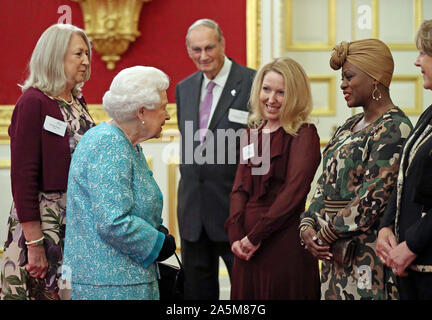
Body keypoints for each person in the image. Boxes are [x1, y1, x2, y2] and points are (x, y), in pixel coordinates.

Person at [299, 39, 413, 300]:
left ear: (375, 79)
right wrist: (307, 225)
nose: (342, 84)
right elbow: (323, 185)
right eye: (342, 77)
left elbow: (372, 199)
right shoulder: (348, 125)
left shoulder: (394, 127)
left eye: (349, 76)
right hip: (333, 260)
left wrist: (324, 234)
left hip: (367, 259)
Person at [62, 66, 176, 300]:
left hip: (124, 284)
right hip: (110, 288)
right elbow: (113, 222)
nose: (168, 115)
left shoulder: (126, 143)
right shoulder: (109, 144)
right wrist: (158, 242)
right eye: (163, 107)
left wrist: (155, 230)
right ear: (142, 112)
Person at [0, 24, 95, 300]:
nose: (86, 61)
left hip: (74, 222)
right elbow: (23, 176)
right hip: (44, 225)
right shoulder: (33, 102)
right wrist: (35, 243)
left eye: (87, 54)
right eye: (78, 54)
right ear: (55, 56)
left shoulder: (76, 101)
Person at [225, 57, 321, 299]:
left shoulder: (304, 134)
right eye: (266, 89)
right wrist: (236, 235)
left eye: (281, 92)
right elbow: (239, 189)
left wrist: (256, 236)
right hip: (246, 248)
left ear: (295, 95)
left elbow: (294, 192)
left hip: (283, 243)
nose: (271, 99)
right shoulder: (251, 133)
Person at [175, 18, 255, 299]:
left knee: (246, 294)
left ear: (222, 43)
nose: (203, 56)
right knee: (196, 295)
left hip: (236, 212)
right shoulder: (183, 88)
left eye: (209, 47)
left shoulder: (253, 83)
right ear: (188, 50)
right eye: (196, 50)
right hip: (193, 214)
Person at [377, 20, 432, 300]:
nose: (416, 61)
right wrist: (387, 225)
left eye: (423, 53)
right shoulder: (428, 114)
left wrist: (411, 244)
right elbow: (406, 178)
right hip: (412, 268)